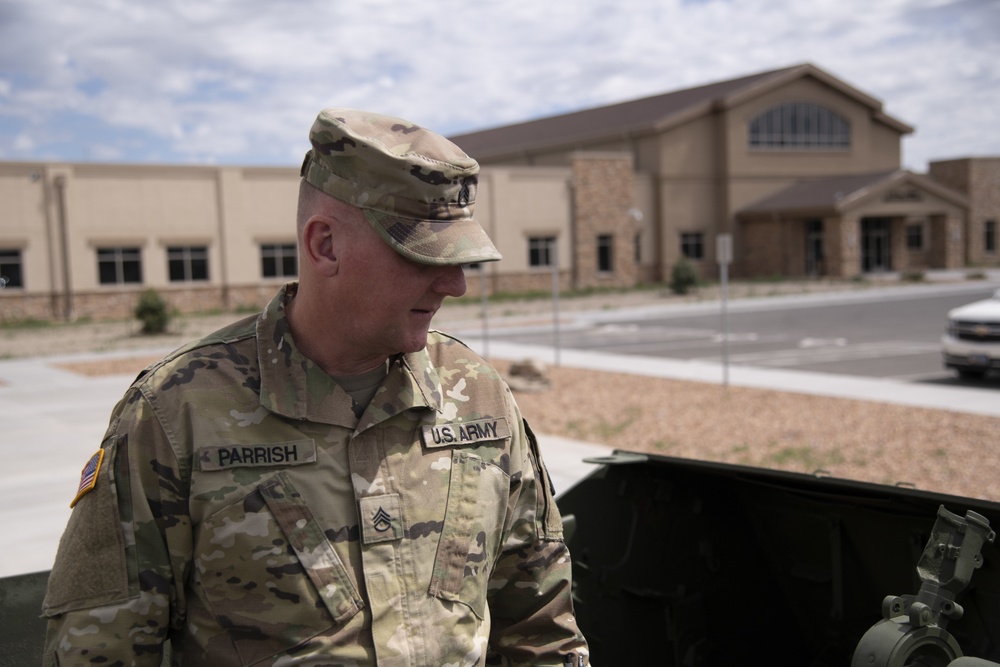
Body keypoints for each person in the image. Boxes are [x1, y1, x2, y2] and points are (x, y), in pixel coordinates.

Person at [41, 108, 590, 666]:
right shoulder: (174, 413)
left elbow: (541, 627)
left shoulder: (478, 394)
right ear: (325, 245)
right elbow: (97, 652)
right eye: (424, 255)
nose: (456, 284)